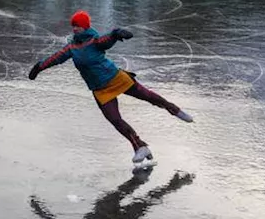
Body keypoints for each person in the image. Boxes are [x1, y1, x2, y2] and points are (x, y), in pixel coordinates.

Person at [28, 10, 193, 164]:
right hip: (100, 89)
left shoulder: (94, 40)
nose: (75, 29)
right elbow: (56, 58)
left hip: (114, 78)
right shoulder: (72, 47)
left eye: (78, 25)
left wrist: (116, 34)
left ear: (85, 26)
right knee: (115, 120)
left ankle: (175, 110)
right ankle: (140, 147)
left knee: (147, 96)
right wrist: (39, 67)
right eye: (73, 26)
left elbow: (105, 41)